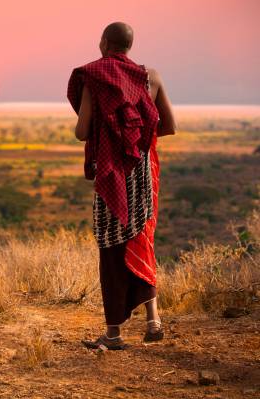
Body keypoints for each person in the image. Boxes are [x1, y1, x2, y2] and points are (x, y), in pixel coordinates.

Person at [67, 22, 176, 350]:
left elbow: (81, 131)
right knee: (141, 240)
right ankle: (153, 320)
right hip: (140, 172)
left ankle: (113, 334)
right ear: (129, 46)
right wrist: (135, 137)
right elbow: (169, 125)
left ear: (103, 43)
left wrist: (110, 136)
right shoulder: (151, 77)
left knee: (112, 249)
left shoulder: (93, 77)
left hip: (111, 175)